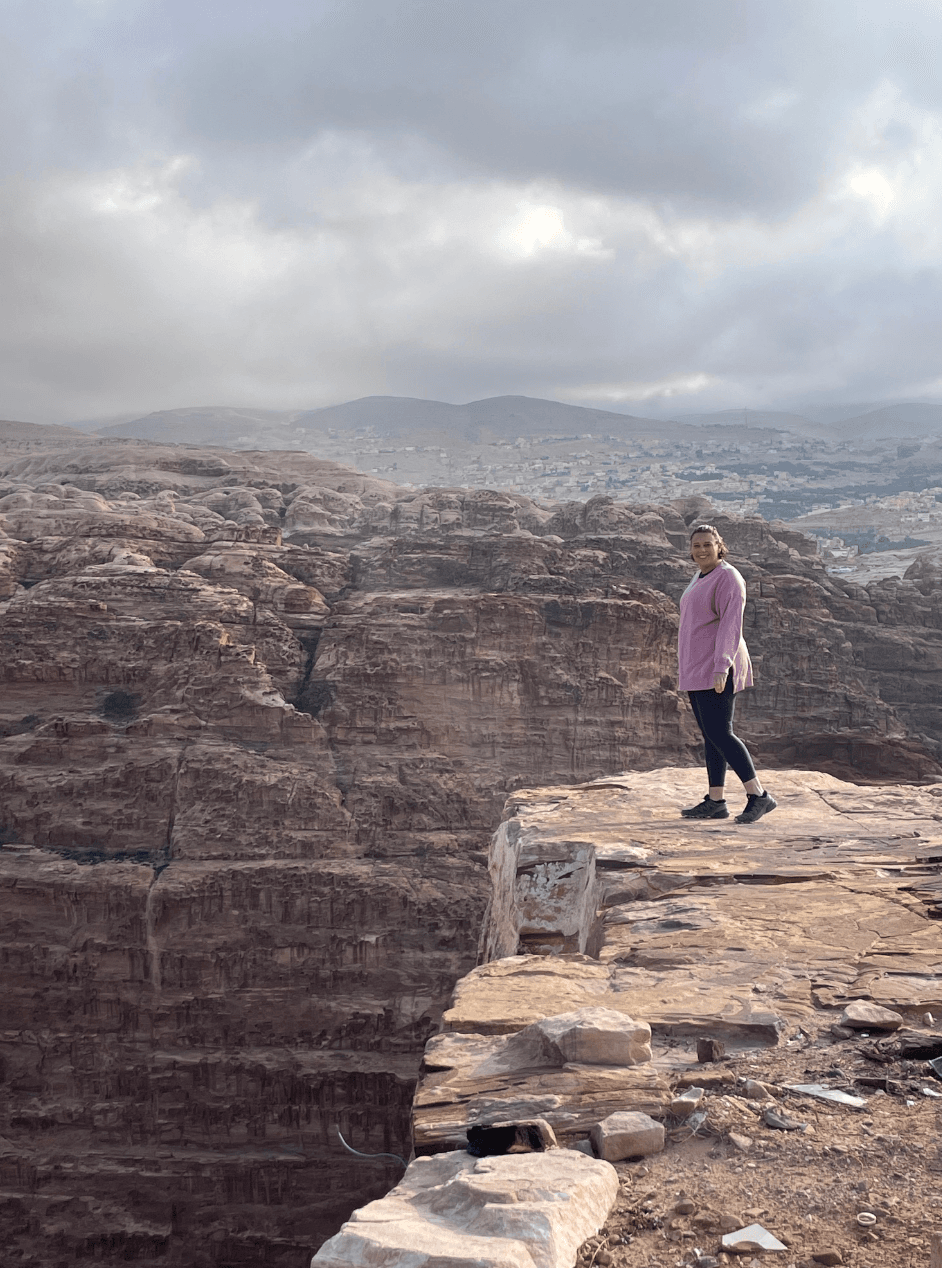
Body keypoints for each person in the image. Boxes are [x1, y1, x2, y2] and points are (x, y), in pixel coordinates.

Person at [677, 523, 776, 825]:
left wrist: (721, 666)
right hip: (698, 667)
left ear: (720, 545)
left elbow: (731, 626)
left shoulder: (729, 578)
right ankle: (716, 801)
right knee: (711, 736)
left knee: (721, 732)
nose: (702, 550)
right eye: (697, 545)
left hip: (718, 667)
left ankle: (758, 795)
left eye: (708, 544)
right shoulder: (700, 575)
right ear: (690, 550)